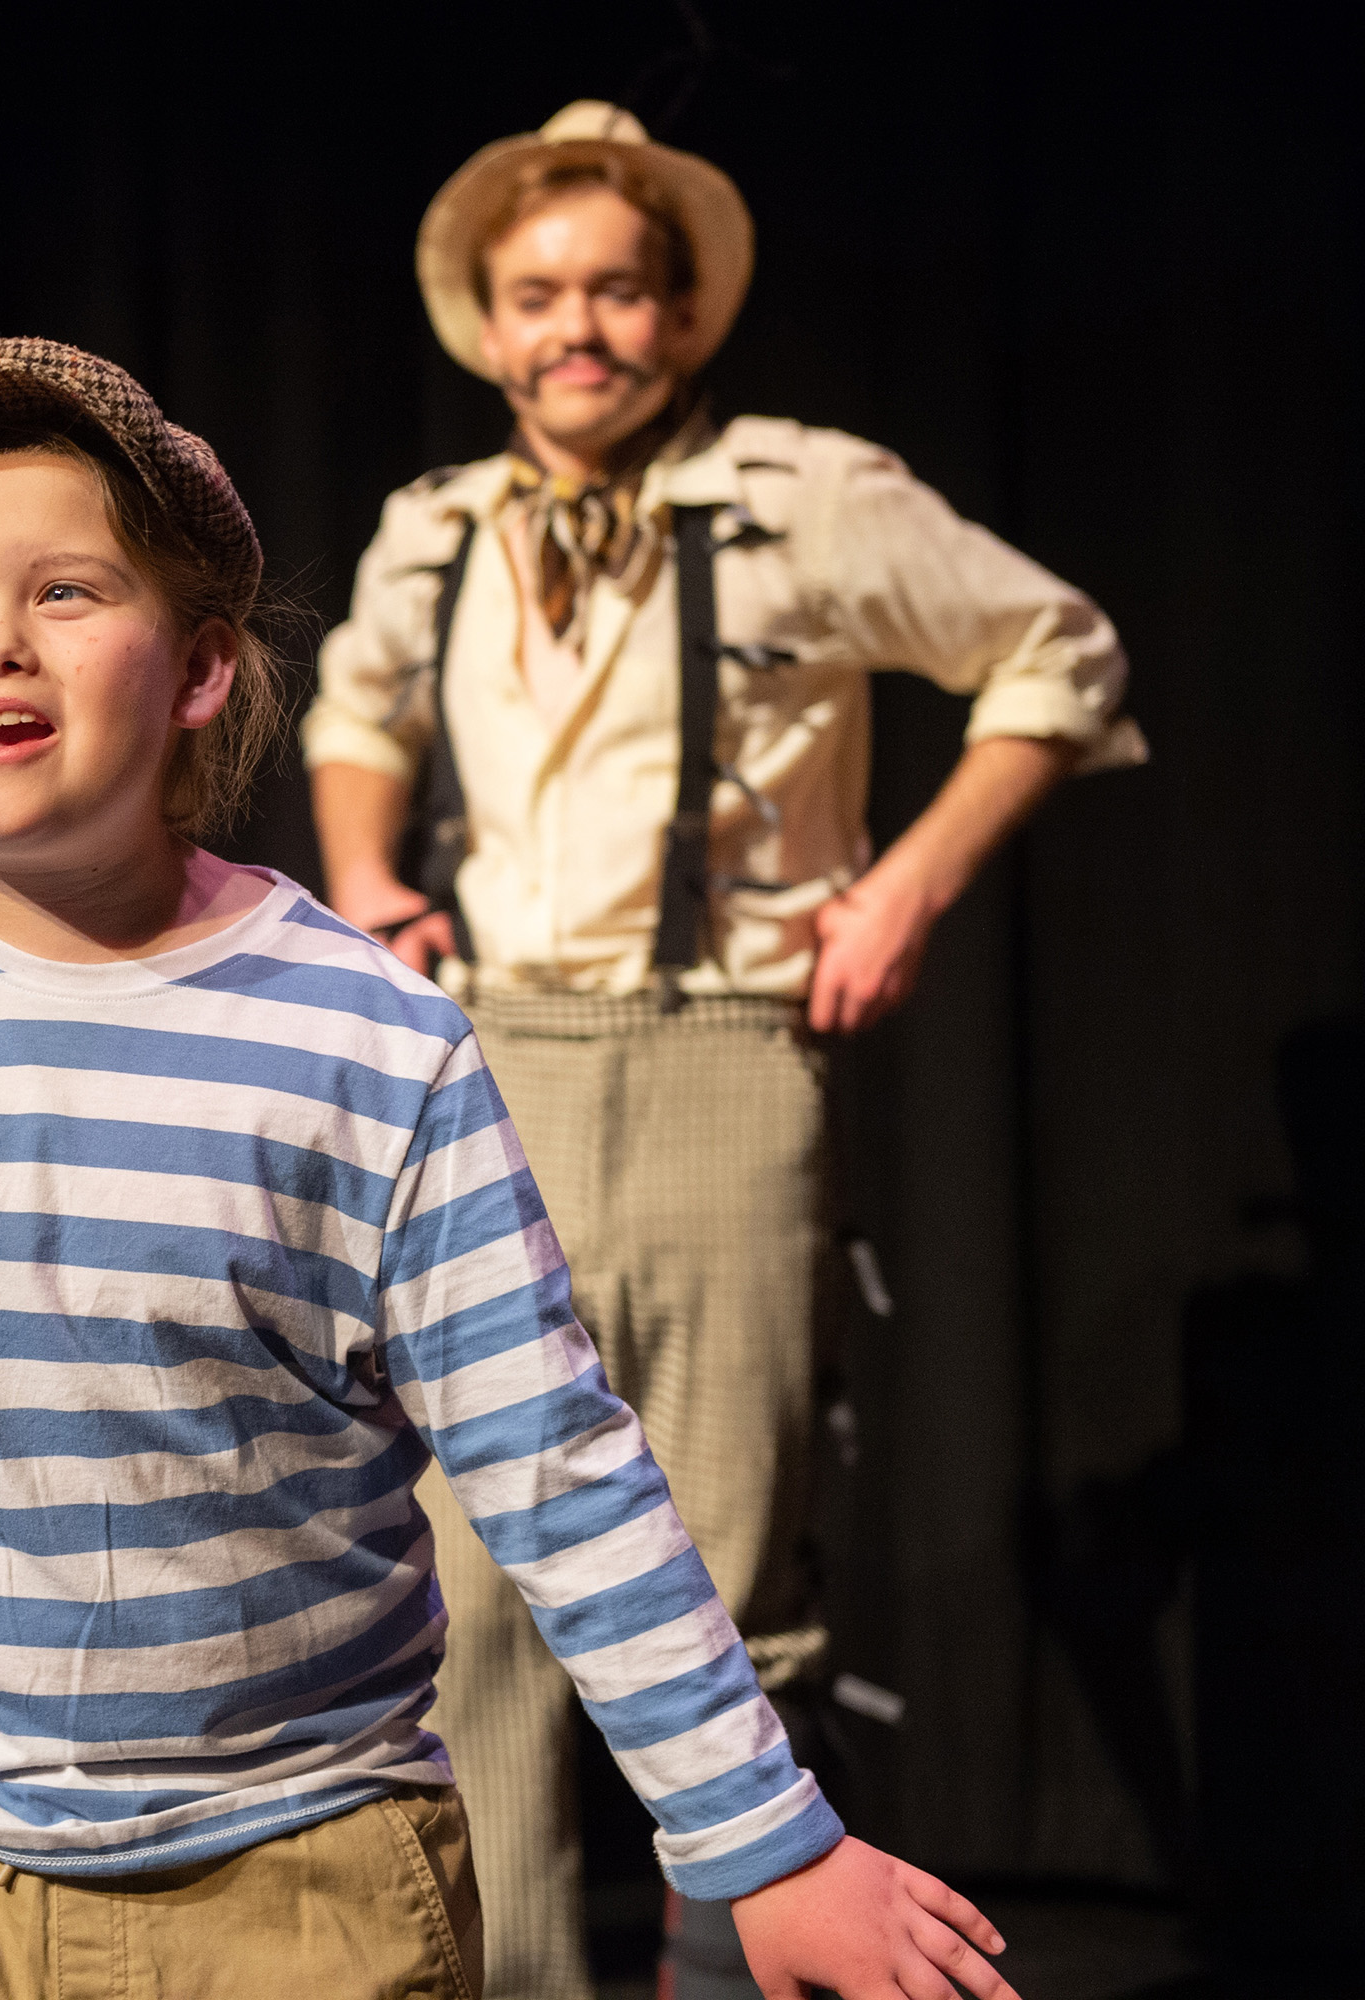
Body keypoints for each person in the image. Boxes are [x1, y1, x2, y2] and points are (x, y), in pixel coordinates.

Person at [0, 336, 1027, 2000]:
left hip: (290, 1876)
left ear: (203, 668)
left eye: (67, 592)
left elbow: (557, 1466)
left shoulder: (370, 1044)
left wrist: (762, 1839)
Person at [298, 103, 1144, 1999]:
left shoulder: (805, 495)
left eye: (616, 290)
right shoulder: (438, 528)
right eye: (539, 295)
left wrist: (909, 882)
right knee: (473, 1606)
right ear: (490, 325)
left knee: (726, 1580)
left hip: (720, 1056)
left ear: (679, 315)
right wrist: (363, 875)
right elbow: (355, 703)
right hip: (484, 1062)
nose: (576, 328)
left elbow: (1060, 654)